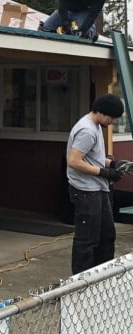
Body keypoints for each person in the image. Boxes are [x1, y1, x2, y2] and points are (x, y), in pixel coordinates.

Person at [66, 94, 129, 274]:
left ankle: (102, 275)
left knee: (106, 236)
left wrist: (113, 164)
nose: (113, 122)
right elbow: (74, 161)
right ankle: (80, 281)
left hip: (97, 189)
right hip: (85, 191)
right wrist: (104, 172)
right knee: (87, 239)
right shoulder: (87, 130)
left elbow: (91, 157)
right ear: (101, 112)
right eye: (112, 117)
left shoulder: (95, 126)